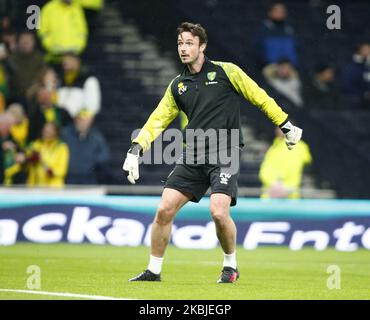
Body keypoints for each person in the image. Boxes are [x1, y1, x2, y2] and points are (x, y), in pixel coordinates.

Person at [122, 22, 302, 283]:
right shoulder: (178, 86)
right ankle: (153, 270)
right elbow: (157, 121)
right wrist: (136, 148)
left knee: (218, 212)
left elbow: (259, 97)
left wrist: (285, 124)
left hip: (225, 150)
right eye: (180, 44)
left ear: (202, 46)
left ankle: (230, 266)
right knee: (164, 210)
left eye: (189, 43)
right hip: (193, 153)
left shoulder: (227, 72)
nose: (183, 49)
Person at [259, 126, 312, 199]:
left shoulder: (300, 147)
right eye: (279, 128)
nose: (279, 130)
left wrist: (282, 187)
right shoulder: (274, 147)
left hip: (289, 196)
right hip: (272, 195)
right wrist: (274, 184)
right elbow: (265, 170)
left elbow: (296, 167)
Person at [61, 108, 111, 184]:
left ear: (91, 121)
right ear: (75, 120)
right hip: (68, 179)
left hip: (89, 180)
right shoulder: (65, 134)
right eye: (80, 119)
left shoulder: (96, 137)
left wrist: (90, 162)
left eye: (86, 120)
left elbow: (105, 155)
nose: (83, 123)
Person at [57, 52, 101, 117]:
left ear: (77, 61)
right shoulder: (60, 80)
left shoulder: (88, 79)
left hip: (79, 122)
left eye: (68, 59)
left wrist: (81, 118)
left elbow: (93, 107)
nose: (64, 63)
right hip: (61, 121)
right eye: (63, 60)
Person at [254, 2, 298, 67]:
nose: (280, 13)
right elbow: (258, 52)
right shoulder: (262, 30)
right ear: (270, 13)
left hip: (289, 67)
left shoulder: (290, 29)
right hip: (270, 66)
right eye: (277, 11)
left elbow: (296, 50)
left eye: (282, 11)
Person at [26, 122, 69, 187]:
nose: (47, 131)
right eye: (45, 129)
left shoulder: (61, 147)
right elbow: (26, 156)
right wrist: (30, 158)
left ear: (56, 132)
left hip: (54, 187)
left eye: (50, 130)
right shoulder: (37, 144)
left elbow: (62, 169)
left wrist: (52, 172)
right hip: (36, 186)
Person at [8, 31, 45, 102]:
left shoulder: (39, 58)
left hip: (35, 95)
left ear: (34, 42)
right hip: (15, 96)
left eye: (29, 40)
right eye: (23, 39)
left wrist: (34, 88)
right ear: (18, 42)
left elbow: (43, 74)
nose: (26, 42)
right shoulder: (12, 59)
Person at [341, 43, 370, 110]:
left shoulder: (367, 65)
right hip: (358, 100)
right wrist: (364, 94)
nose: (368, 52)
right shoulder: (352, 66)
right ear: (359, 51)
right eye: (366, 50)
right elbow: (348, 84)